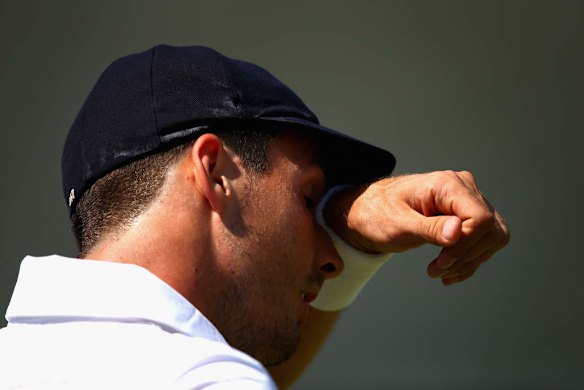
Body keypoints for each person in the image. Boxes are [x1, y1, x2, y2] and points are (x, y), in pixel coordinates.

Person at [0, 45, 509, 389]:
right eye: (307, 198)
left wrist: (347, 232)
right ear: (215, 172)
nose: (330, 258)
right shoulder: (206, 378)